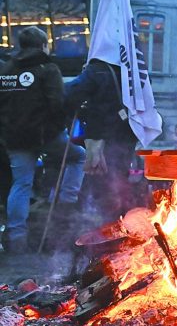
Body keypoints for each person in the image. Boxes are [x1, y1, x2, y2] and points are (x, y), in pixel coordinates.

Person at [0, 27, 86, 251]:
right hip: (45, 135)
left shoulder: (6, 68)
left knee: (21, 184)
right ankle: (65, 203)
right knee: (78, 157)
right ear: (43, 45)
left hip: (15, 138)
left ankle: (17, 237)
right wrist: (60, 129)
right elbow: (57, 103)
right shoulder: (48, 69)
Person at [64, 52, 140, 225]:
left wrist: (81, 111)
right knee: (119, 179)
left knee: (96, 180)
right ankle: (118, 222)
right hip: (126, 133)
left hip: (100, 135)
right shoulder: (134, 69)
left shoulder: (96, 70)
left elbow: (71, 94)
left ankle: (94, 226)